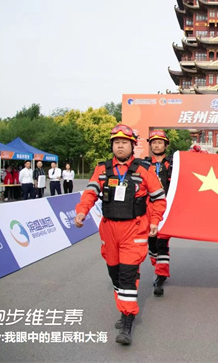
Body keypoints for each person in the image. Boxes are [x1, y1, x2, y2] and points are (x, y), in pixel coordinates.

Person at [74, 124, 166, 345]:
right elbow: (90, 193)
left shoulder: (144, 169)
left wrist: (155, 221)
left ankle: (127, 318)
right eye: (116, 142)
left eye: (125, 142)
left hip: (135, 229)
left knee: (127, 274)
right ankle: (125, 305)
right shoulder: (102, 169)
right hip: (109, 230)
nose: (120, 146)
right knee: (114, 273)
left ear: (133, 146)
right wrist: (82, 211)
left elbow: (158, 199)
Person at [144, 130, 173, 297]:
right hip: (147, 209)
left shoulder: (174, 164)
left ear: (165, 145)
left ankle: (160, 276)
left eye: (160, 142)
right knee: (152, 244)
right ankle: (157, 266)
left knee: (162, 243)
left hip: (166, 209)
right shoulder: (143, 164)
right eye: (154, 142)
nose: (156, 145)